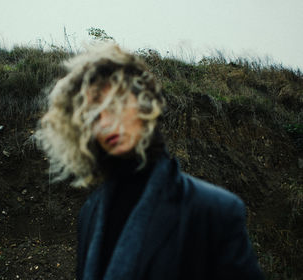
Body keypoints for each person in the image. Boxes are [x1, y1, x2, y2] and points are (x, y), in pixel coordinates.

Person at [36, 43, 264, 280]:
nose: (105, 123)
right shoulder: (89, 214)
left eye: (115, 104)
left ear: (145, 102)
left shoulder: (215, 211)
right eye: (94, 115)